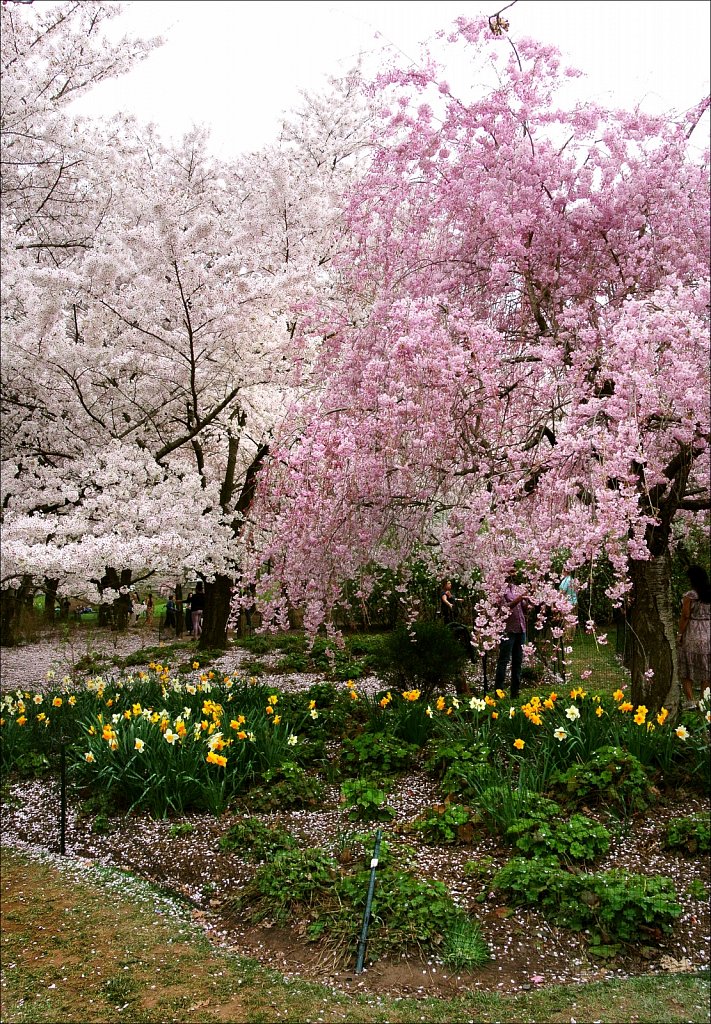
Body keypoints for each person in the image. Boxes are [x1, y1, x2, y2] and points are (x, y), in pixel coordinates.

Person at [677, 565, 711, 707]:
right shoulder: (709, 593)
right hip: (709, 630)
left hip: (693, 632)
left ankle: (690, 700)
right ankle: (704, 701)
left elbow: (685, 616)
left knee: (686, 665)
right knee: (707, 667)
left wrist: (680, 633)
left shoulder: (690, 596)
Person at [494, 567, 530, 699]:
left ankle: (515, 693)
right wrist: (520, 598)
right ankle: (498, 693)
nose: (514, 574)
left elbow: (523, 607)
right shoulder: (500, 590)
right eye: (511, 572)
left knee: (518, 661)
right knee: (503, 660)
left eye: (515, 571)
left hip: (521, 629)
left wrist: (527, 601)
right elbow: (505, 607)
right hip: (508, 630)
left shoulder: (516, 588)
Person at [559, 573, 578, 637]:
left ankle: (568, 636)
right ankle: (572, 636)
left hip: (567, 603)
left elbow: (563, 591)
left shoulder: (566, 581)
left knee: (567, 621)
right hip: (574, 602)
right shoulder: (573, 580)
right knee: (573, 621)